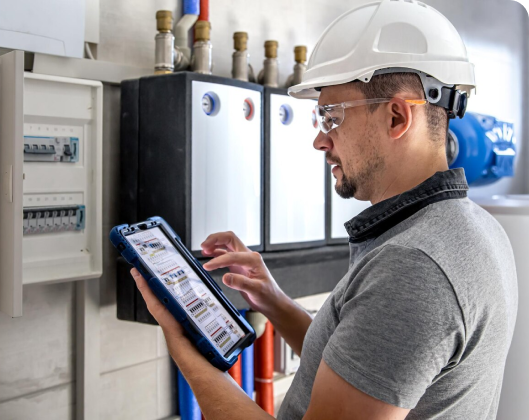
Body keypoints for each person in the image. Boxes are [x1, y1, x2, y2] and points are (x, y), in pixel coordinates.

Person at [131, 1, 518, 419]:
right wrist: (274, 300)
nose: (320, 140)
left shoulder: (414, 267)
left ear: (396, 117)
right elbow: (365, 366)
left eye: (331, 117)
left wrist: (187, 351)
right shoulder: (473, 226)